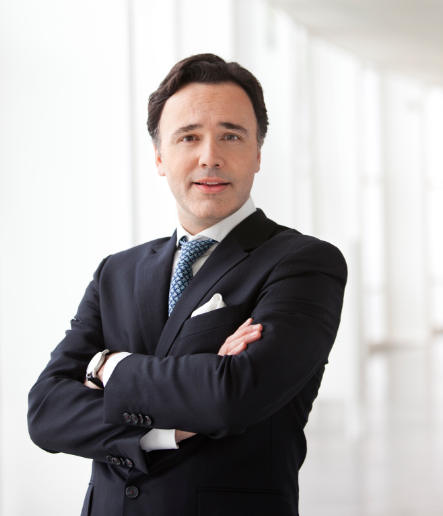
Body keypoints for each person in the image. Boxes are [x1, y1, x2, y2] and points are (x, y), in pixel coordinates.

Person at [28, 53, 347, 516]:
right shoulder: (116, 271)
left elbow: (233, 397)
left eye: (231, 136)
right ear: (160, 157)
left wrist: (107, 366)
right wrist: (164, 430)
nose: (210, 156)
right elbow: (46, 411)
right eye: (189, 137)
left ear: (258, 153)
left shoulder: (304, 263)